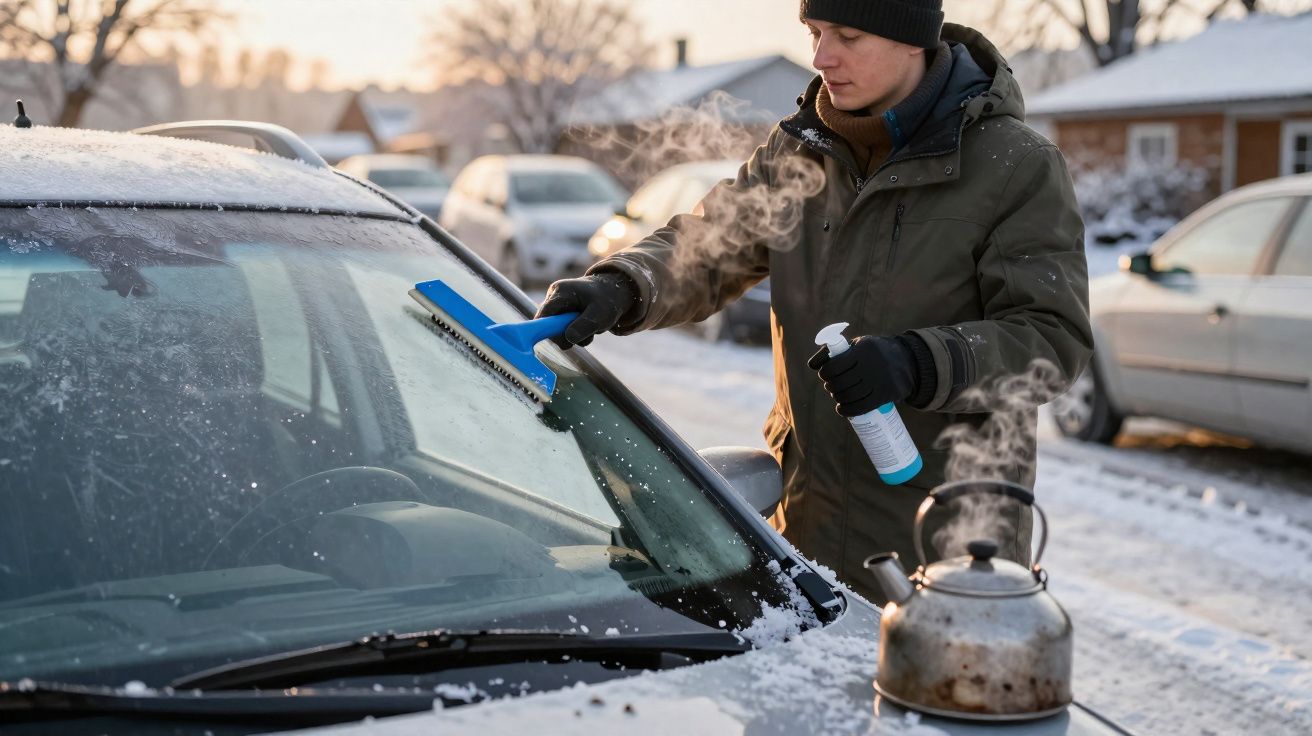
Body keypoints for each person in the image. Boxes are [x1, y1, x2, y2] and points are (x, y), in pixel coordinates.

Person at [537, 0, 1093, 600]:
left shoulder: (1014, 166)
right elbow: (709, 245)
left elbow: (1051, 339)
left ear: (913, 40)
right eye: (815, 32)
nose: (823, 57)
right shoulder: (798, 151)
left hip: (945, 549)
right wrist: (625, 284)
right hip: (804, 528)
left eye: (848, 35)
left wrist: (920, 362)